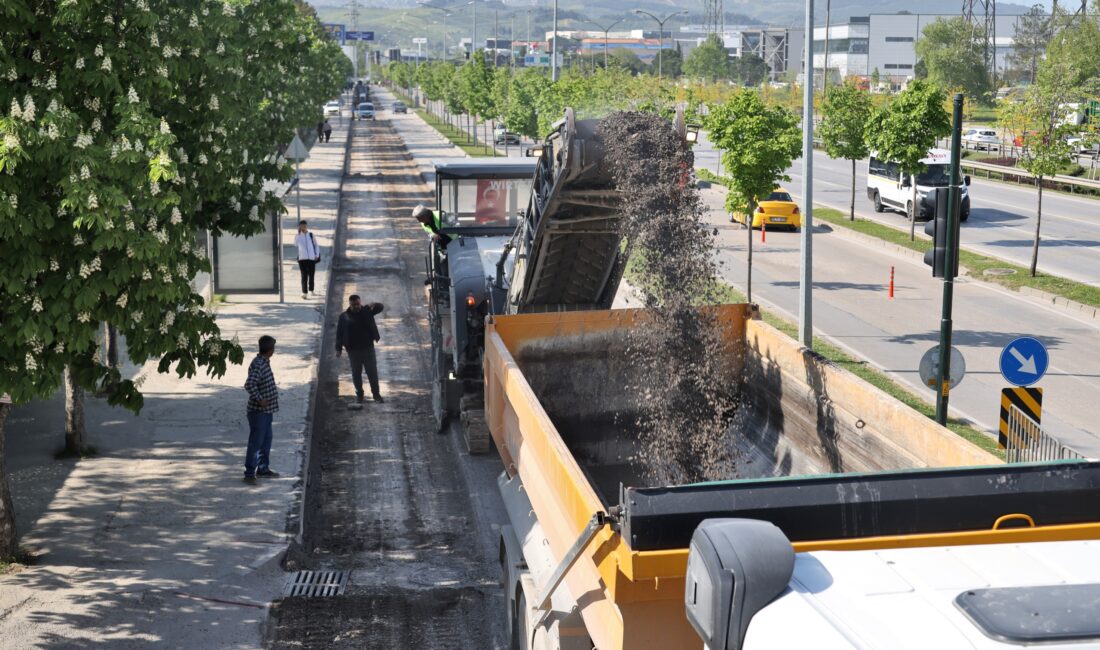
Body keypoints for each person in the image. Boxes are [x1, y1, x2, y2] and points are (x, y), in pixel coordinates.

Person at [243, 335, 279, 485]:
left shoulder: (264, 362)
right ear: (270, 350)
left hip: (267, 411)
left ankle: (263, 468)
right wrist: (260, 399)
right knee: (256, 442)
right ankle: (250, 472)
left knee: (266, 439)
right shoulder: (259, 364)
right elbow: (249, 384)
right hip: (258, 412)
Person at [336, 295, 384, 404]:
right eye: (354, 305)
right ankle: (359, 395)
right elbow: (339, 334)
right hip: (353, 351)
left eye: (358, 304)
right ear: (350, 304)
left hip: (368, 349)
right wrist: (338, 348)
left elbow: (381, 308)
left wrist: (375, 304)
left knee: (372, 373)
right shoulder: (344, 317)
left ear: (360, 302)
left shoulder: (367, 311)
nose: (356, 306)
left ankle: (376, 395)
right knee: (356, 373)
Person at [295, 220, 321, 299]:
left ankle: (312, 290)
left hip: (311, 258)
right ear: (299, 226)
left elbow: (316, 245)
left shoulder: (311, 235)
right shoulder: (298, 235)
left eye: (305, 226)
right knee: (304, 276)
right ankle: (304, 292)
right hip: (302, 258)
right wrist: (298, 235)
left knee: (311, 275)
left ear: (307, 226)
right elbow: (295, 244)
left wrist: (316, 254)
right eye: (302, 226)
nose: (303, 227)